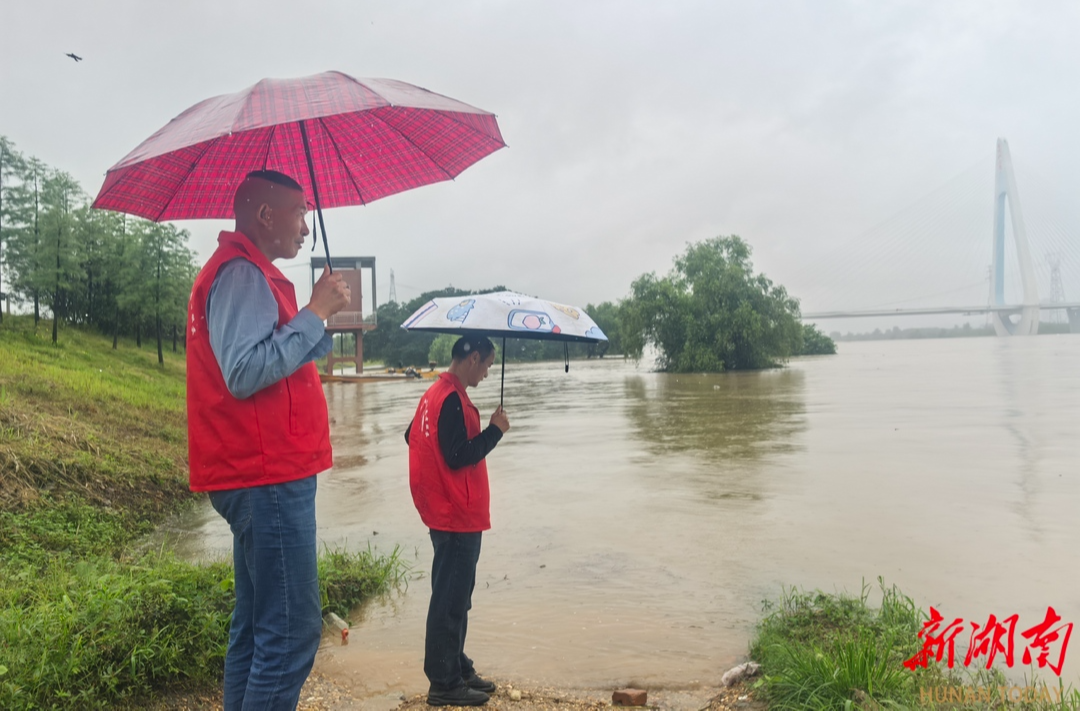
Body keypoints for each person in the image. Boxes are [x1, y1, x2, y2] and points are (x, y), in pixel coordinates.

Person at [186, 169, 351, 710]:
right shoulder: (241, 275)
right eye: (299, 212)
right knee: (291, 633)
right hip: (267, 475)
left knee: (258, 626)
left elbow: (276, 355)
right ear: (265, 215)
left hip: (262, 473)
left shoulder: (248, 274)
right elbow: (244, 370)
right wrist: (314, 313)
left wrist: (315, 319)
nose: (305, 227)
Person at [405, 336, 510, 707]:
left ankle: (457, 664)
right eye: (487, 366)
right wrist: (494, 431)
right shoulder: (449, 398)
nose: (487, 372)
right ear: (473, 358)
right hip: (455, 514)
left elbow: (411, 437)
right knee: (450, 599)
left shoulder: (435, 393)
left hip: (447, 511)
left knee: (457, 596)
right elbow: (456, 455)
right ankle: (444, 682)